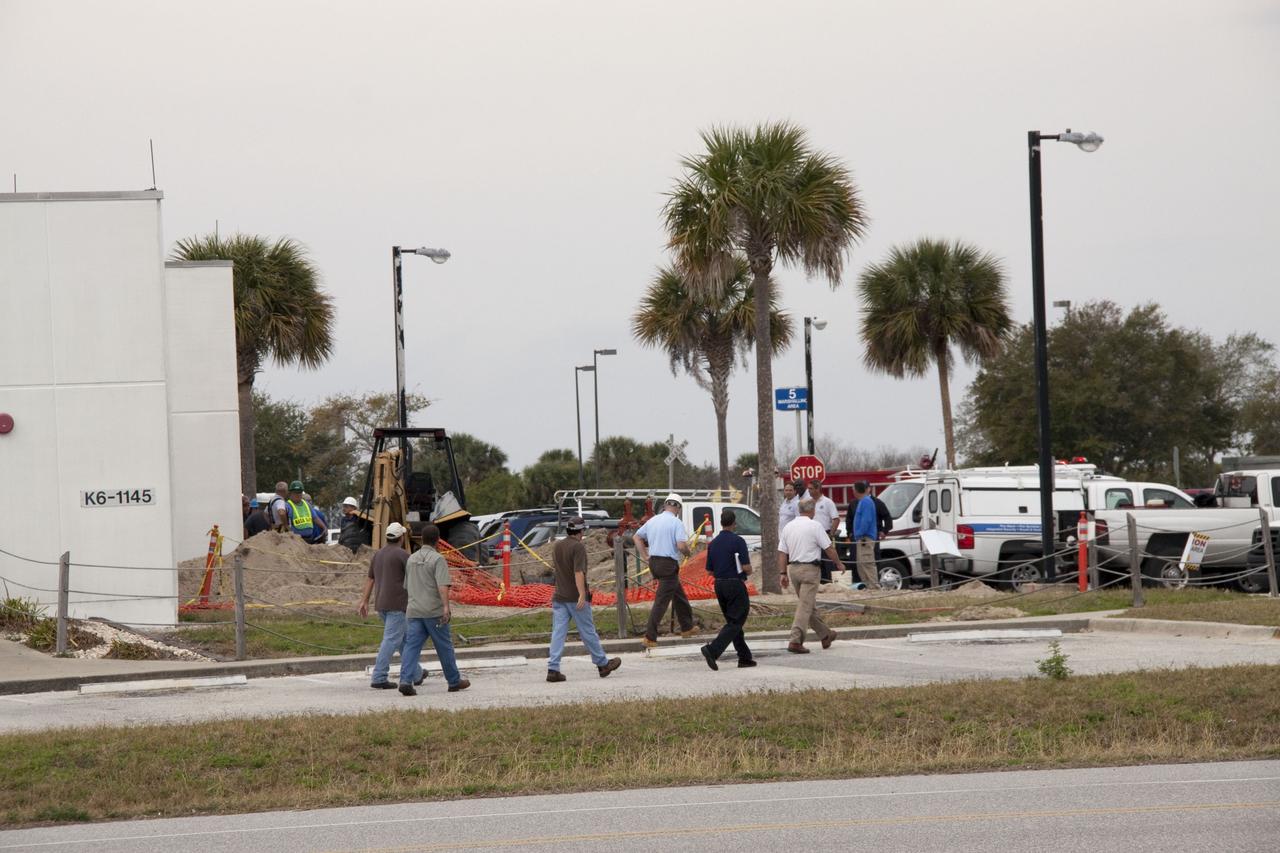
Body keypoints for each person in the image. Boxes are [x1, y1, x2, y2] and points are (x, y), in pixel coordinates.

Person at [546, 516, 622, 682]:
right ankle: (602, 664)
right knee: (588, 632)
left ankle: (553, 668)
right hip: (576, 598)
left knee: (558, 633)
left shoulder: (557, 546)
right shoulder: (578, 547)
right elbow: (578, 572)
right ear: (580, 531)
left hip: (559, 596)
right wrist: (581, 593)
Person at [398, 524, 469, 695]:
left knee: (411, 647)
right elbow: (442, 585)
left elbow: (407, 586)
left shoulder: (411, 559)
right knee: (444, 647)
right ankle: (453, 681)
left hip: (414, 610)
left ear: (421, 539)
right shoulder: (438, 559)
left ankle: (405, 680)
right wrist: (446, 607)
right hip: (433, 611)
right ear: (438, 540)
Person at [778, 497, 846, 653]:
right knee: (805, 606)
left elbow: (782, 552)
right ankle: (795, 640)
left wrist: (782, 573)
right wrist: (838, 563)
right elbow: (828, 548)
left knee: (808, 605)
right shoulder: (815, 526)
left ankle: (825, 635)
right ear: (812, 510)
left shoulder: (788, 527)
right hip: (810, 570)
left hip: (793, 569)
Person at [634, 492, 696, 649]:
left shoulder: (653, 520)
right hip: (668, 564)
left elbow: (636, 537)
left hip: (654, 563)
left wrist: (645, 556)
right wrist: (688, 553)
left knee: (679, 595)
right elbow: (681, 545)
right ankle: (650, 637)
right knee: (661, 602)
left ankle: (687, 627)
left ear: (665, 505)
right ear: (678, 508)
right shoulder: (676, 523)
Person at [357, 522, 413, 690]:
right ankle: (379, 676)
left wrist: (364, 600)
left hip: (381, 604)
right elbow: (415, 578)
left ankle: (416, 673)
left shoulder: (378, 555)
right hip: (398, 605)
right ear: (401, 537)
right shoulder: (403, 555)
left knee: (404, 640)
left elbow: (370, 579)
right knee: (391, 640)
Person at [699, 508, 756, 670]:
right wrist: (748, 571)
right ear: (734, 523)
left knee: (733, 622)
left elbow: (709, 571)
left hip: (719, 584)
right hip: (734, 584)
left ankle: (744, 657)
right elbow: (746, 567)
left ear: (721, 523)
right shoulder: (738, 541)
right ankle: (713, 650)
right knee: (737, 620)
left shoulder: (713, 543)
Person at [850, 481, 881, 589]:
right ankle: (868, 585)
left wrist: (859, 533)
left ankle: (874, 586)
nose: (852, 491)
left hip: (865, 538)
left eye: (853, 489)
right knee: (861, 563)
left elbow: (866, 520)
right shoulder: (863, 501)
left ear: (856, 490)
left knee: (867, 562)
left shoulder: (866, 502)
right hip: (862, 538)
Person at [808, 480, 840, 583]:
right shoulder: (808, 502)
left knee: (828, 559)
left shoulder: (827, 502)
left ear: (818, 489)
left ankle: (830, 582)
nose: (808, 491)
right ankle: (819, 582)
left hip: (824, 533)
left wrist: (831, 534)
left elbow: (836, 519)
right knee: (814, 560)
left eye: (811, 489)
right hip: (811, 535)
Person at [872, 489, 893, 566]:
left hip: (874, 535)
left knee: (875, 559)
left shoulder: (877, 502)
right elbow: (849, 519)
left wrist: (885, 531)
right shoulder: (855, 502)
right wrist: (850, 533)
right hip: (858, 538)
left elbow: (887, 517)